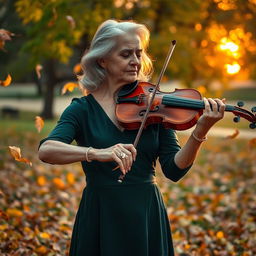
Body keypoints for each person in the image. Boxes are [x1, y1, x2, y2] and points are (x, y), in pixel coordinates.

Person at [38, 19, 225, 256]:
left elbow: (174, 169)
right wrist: (96, 153)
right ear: (103, 60)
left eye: (138, 53)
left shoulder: (154, 105)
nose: (135, 61)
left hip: (145, 214)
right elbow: (47, 151)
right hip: (101, 213)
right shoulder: (82, 109)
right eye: (126, 54)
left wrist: (201, 130)